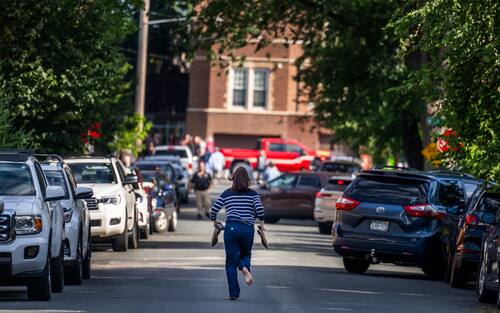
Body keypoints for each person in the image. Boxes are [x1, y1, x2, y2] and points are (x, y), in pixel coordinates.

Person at [210, 167, 265, 300]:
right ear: (247, 179)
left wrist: (214, 220)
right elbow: (260, 211)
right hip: (247, 229)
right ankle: (245, 268)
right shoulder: (253, 194)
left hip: (231, 229)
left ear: (233, 178)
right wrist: (260, 222)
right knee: (246, 254)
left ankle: (233, 293)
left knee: (231, 262)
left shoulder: (227, 193)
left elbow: (214, 210)